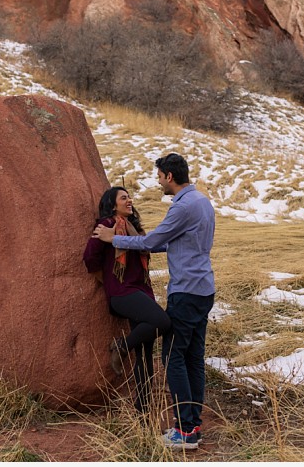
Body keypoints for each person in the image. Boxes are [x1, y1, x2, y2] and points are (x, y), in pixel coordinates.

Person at [93, 153, 215, 450]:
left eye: (159, 176)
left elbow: (151, 242)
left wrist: (114, 239)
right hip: (205, 289)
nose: (158, 181)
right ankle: (193, 425)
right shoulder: (202, 202)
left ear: (169, 176)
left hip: (185, 292)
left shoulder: (182, 207)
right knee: (193, 359)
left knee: (174, 359)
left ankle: (185, 432)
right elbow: (169, 242)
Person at [83, 186, 171, 414]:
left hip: (142, 293)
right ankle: (122, 346)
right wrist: (108, 281)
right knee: (163, 322)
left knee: (144, 352)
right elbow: (90, 257)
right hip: (122, 294)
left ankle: (144, 409)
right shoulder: (107, 226)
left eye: (130, 197)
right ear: (113, 205)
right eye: (124, 198)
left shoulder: (135, 230)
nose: (129, 200)